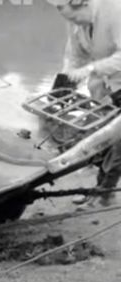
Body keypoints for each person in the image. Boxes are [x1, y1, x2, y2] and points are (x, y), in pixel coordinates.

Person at [57, 0, 121, 206]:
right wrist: (65, 79)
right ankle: (101, 186)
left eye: (74, 17)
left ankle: (105, 192)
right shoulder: (77, 21)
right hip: (105, 85)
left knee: (119, 142)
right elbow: (74, 55)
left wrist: (91, 69)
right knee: (100, 134)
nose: (74, 23)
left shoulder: (116, 11)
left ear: (84, 4)